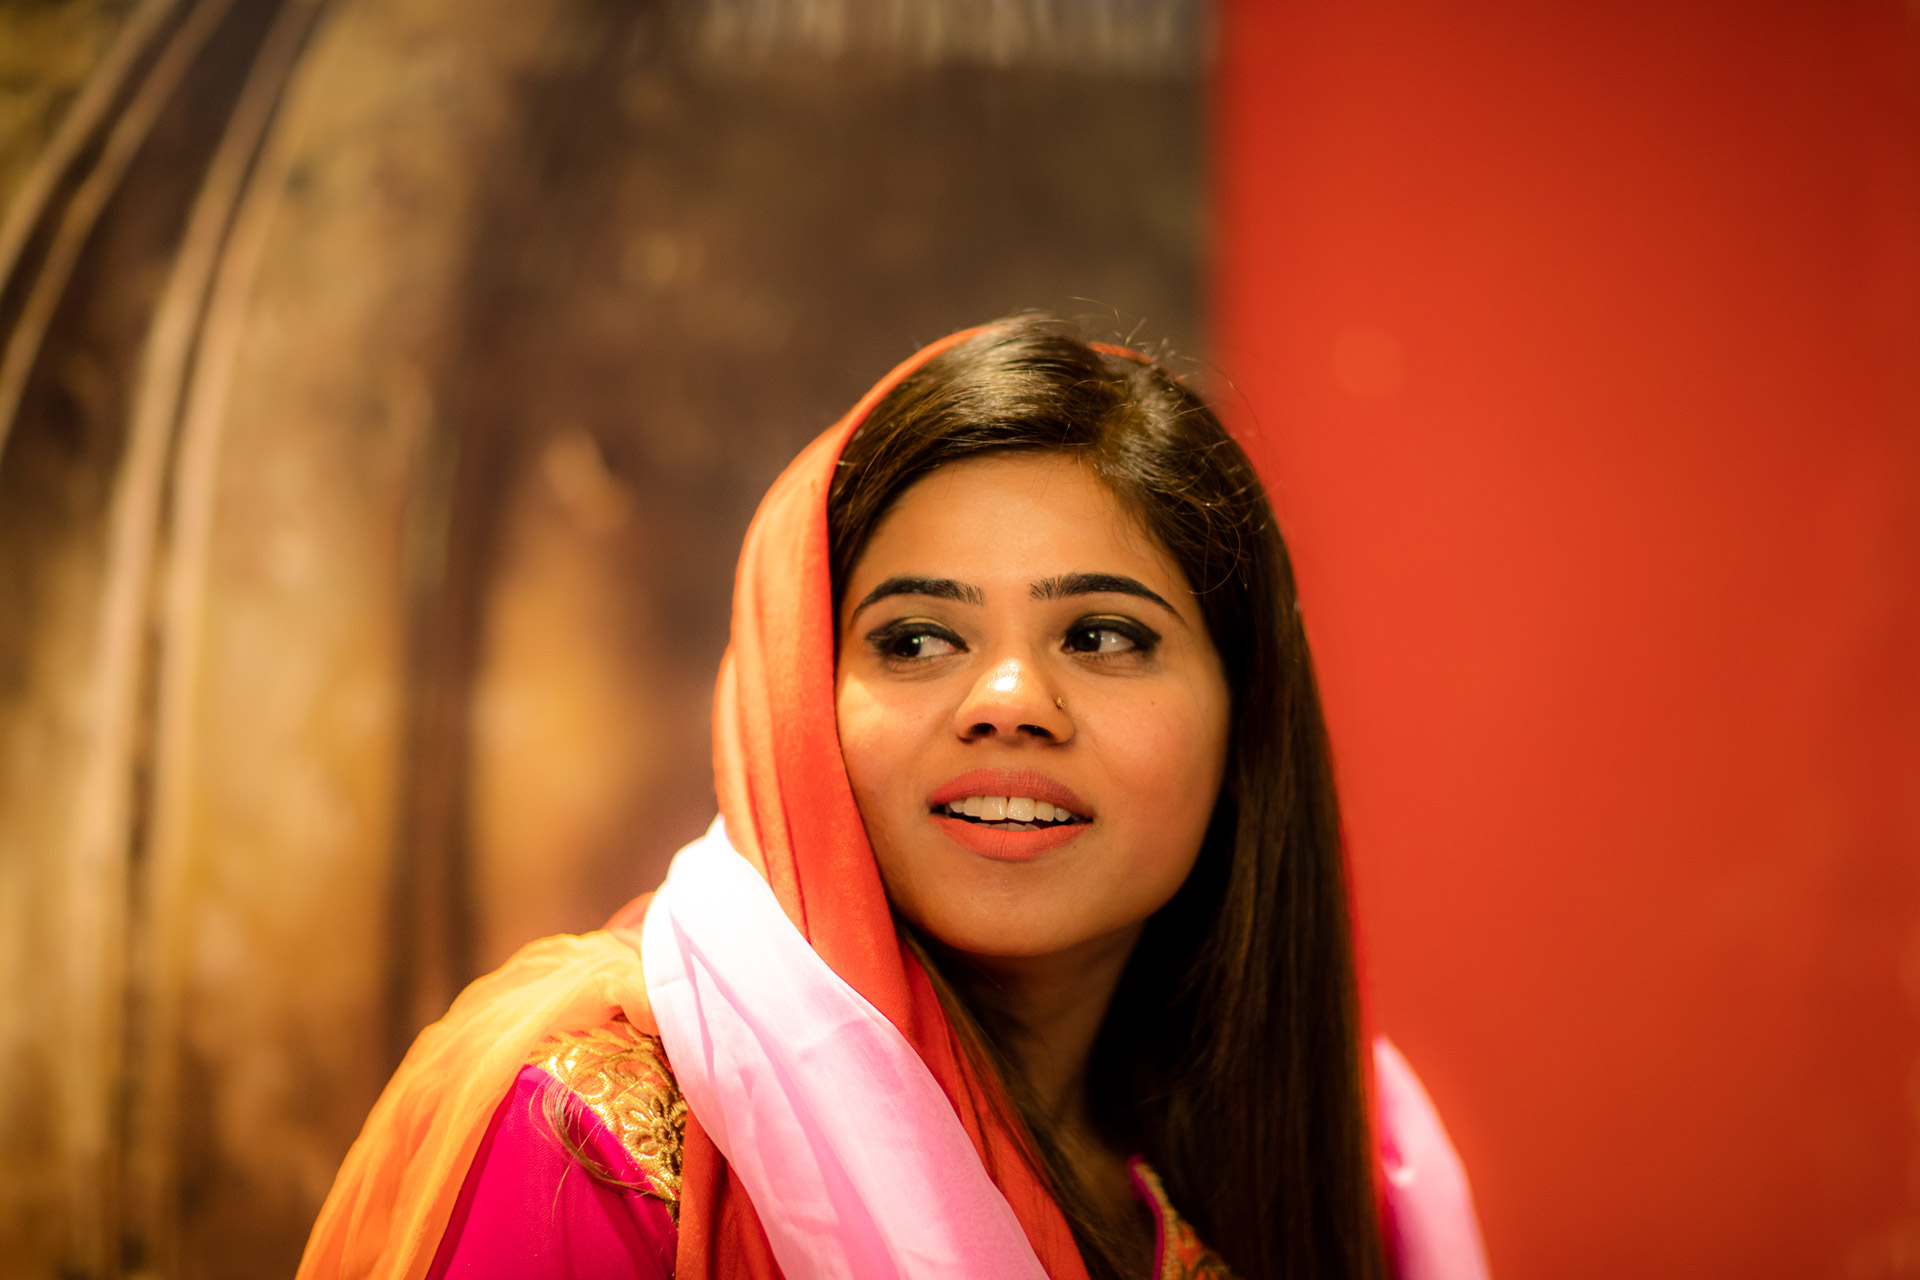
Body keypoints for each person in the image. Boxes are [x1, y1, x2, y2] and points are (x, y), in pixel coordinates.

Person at [297, 316, 1489, 1280]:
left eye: (1103, 635)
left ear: (1244, 721)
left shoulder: (1311, 1168)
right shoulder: (599, 1140)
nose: (1010, 699)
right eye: (916, 638)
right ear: (799, 702)